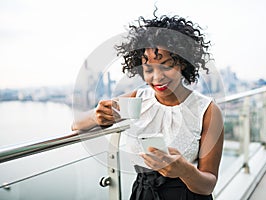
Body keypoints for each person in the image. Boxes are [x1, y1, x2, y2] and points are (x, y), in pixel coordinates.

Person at [72, 10, 224, 200]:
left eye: (167, 66)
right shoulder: (138, 100)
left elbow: (208, 185)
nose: (157, 77)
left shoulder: (207, 110)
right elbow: (76, 125)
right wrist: (98, 116)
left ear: (183, 63)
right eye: (148, 69)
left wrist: (184, 170)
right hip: (143, 194)